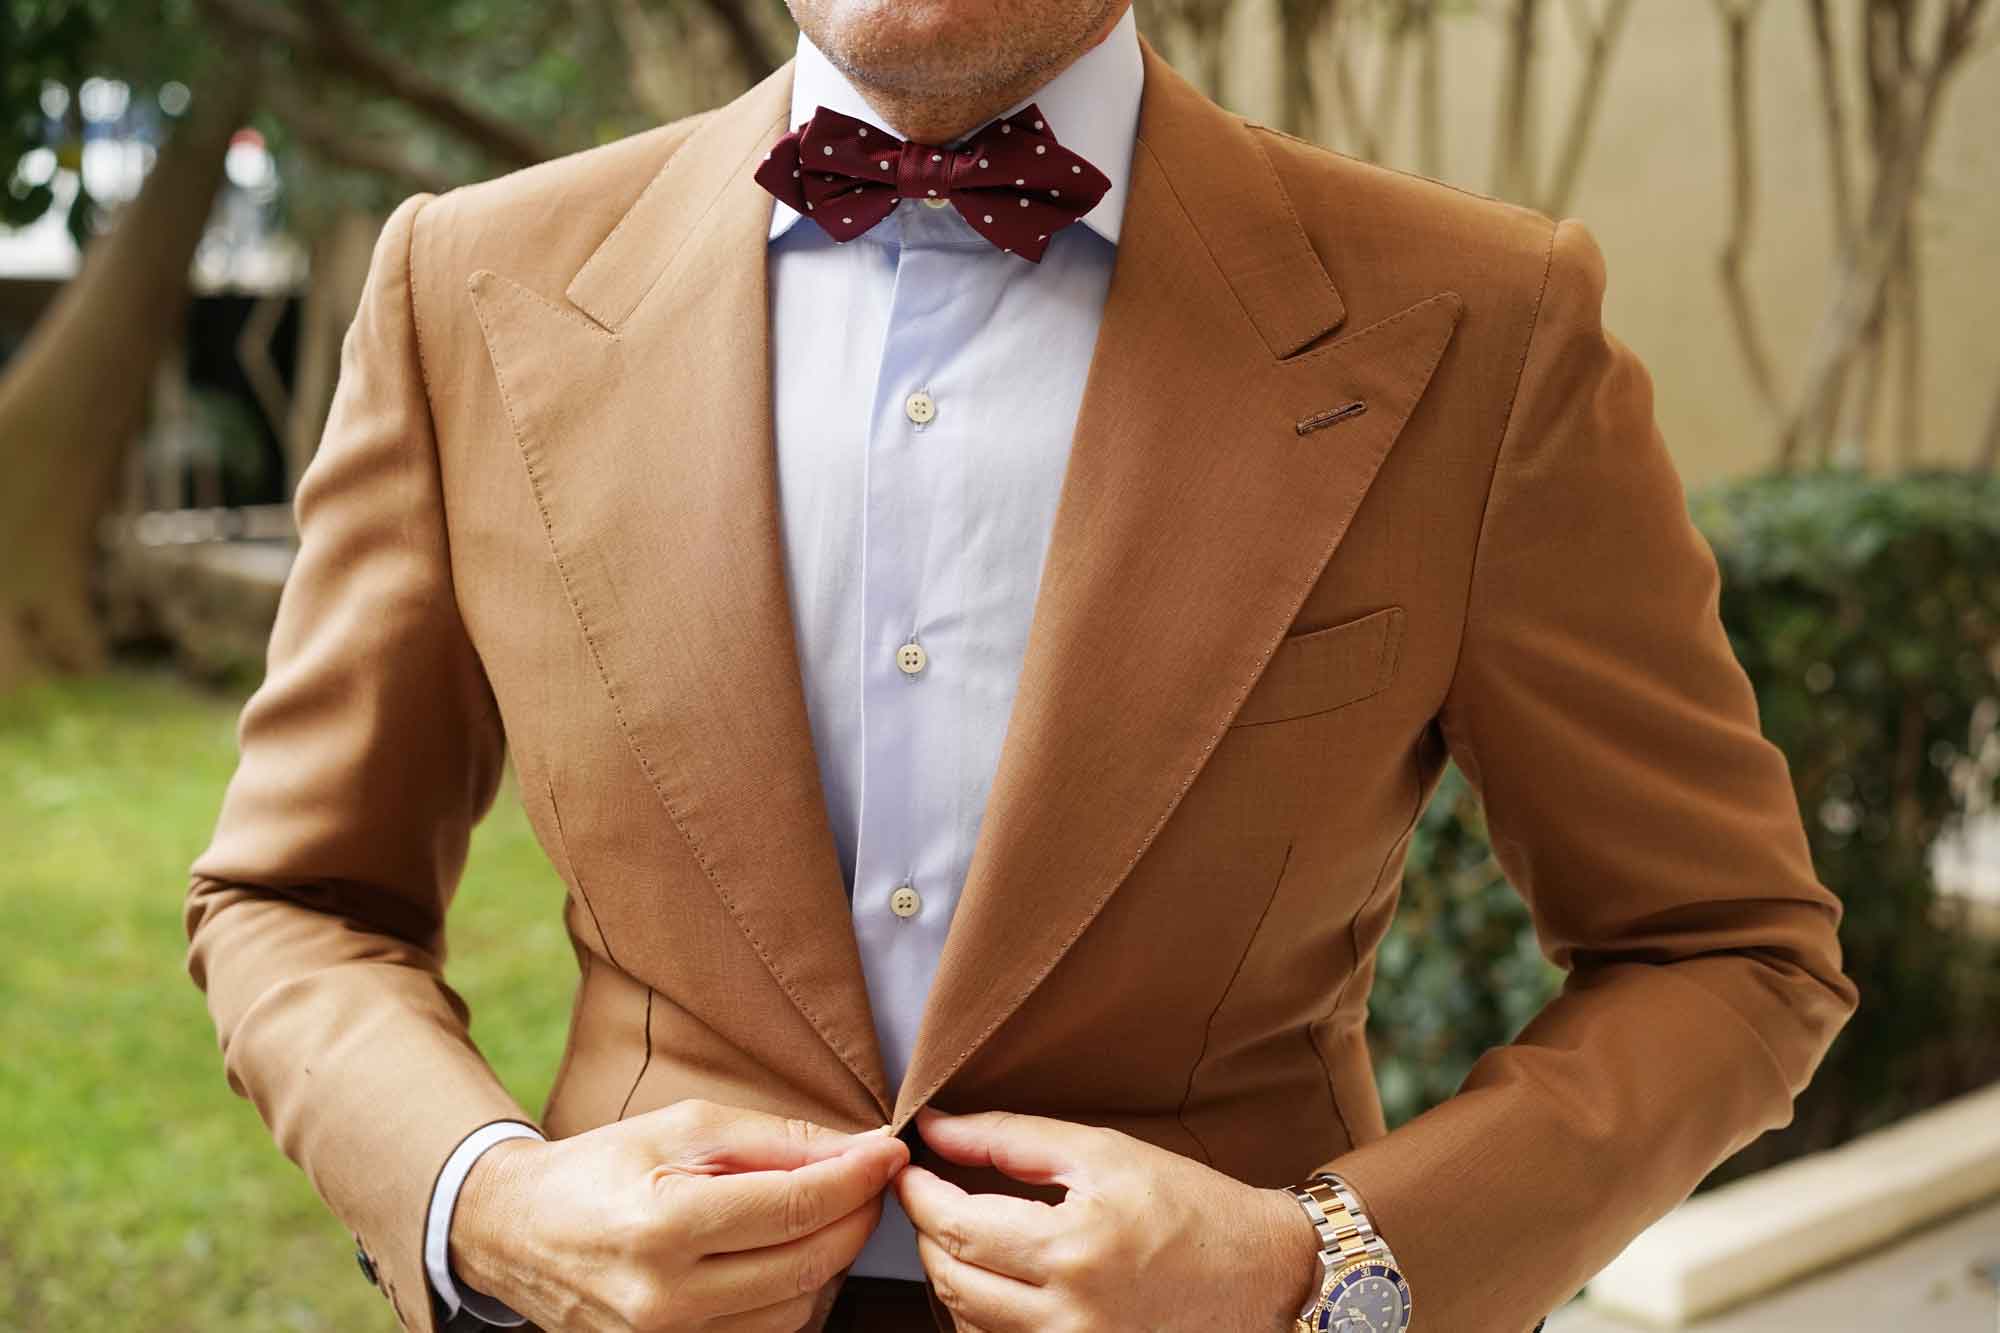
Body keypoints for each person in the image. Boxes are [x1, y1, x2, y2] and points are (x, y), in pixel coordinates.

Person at [183, 0, 1860, 1329]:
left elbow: (1729, 951)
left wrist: (1313, 1265)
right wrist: (486, 1202)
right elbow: (293, 901)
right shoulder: (464, 288)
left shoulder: (1484, 325)